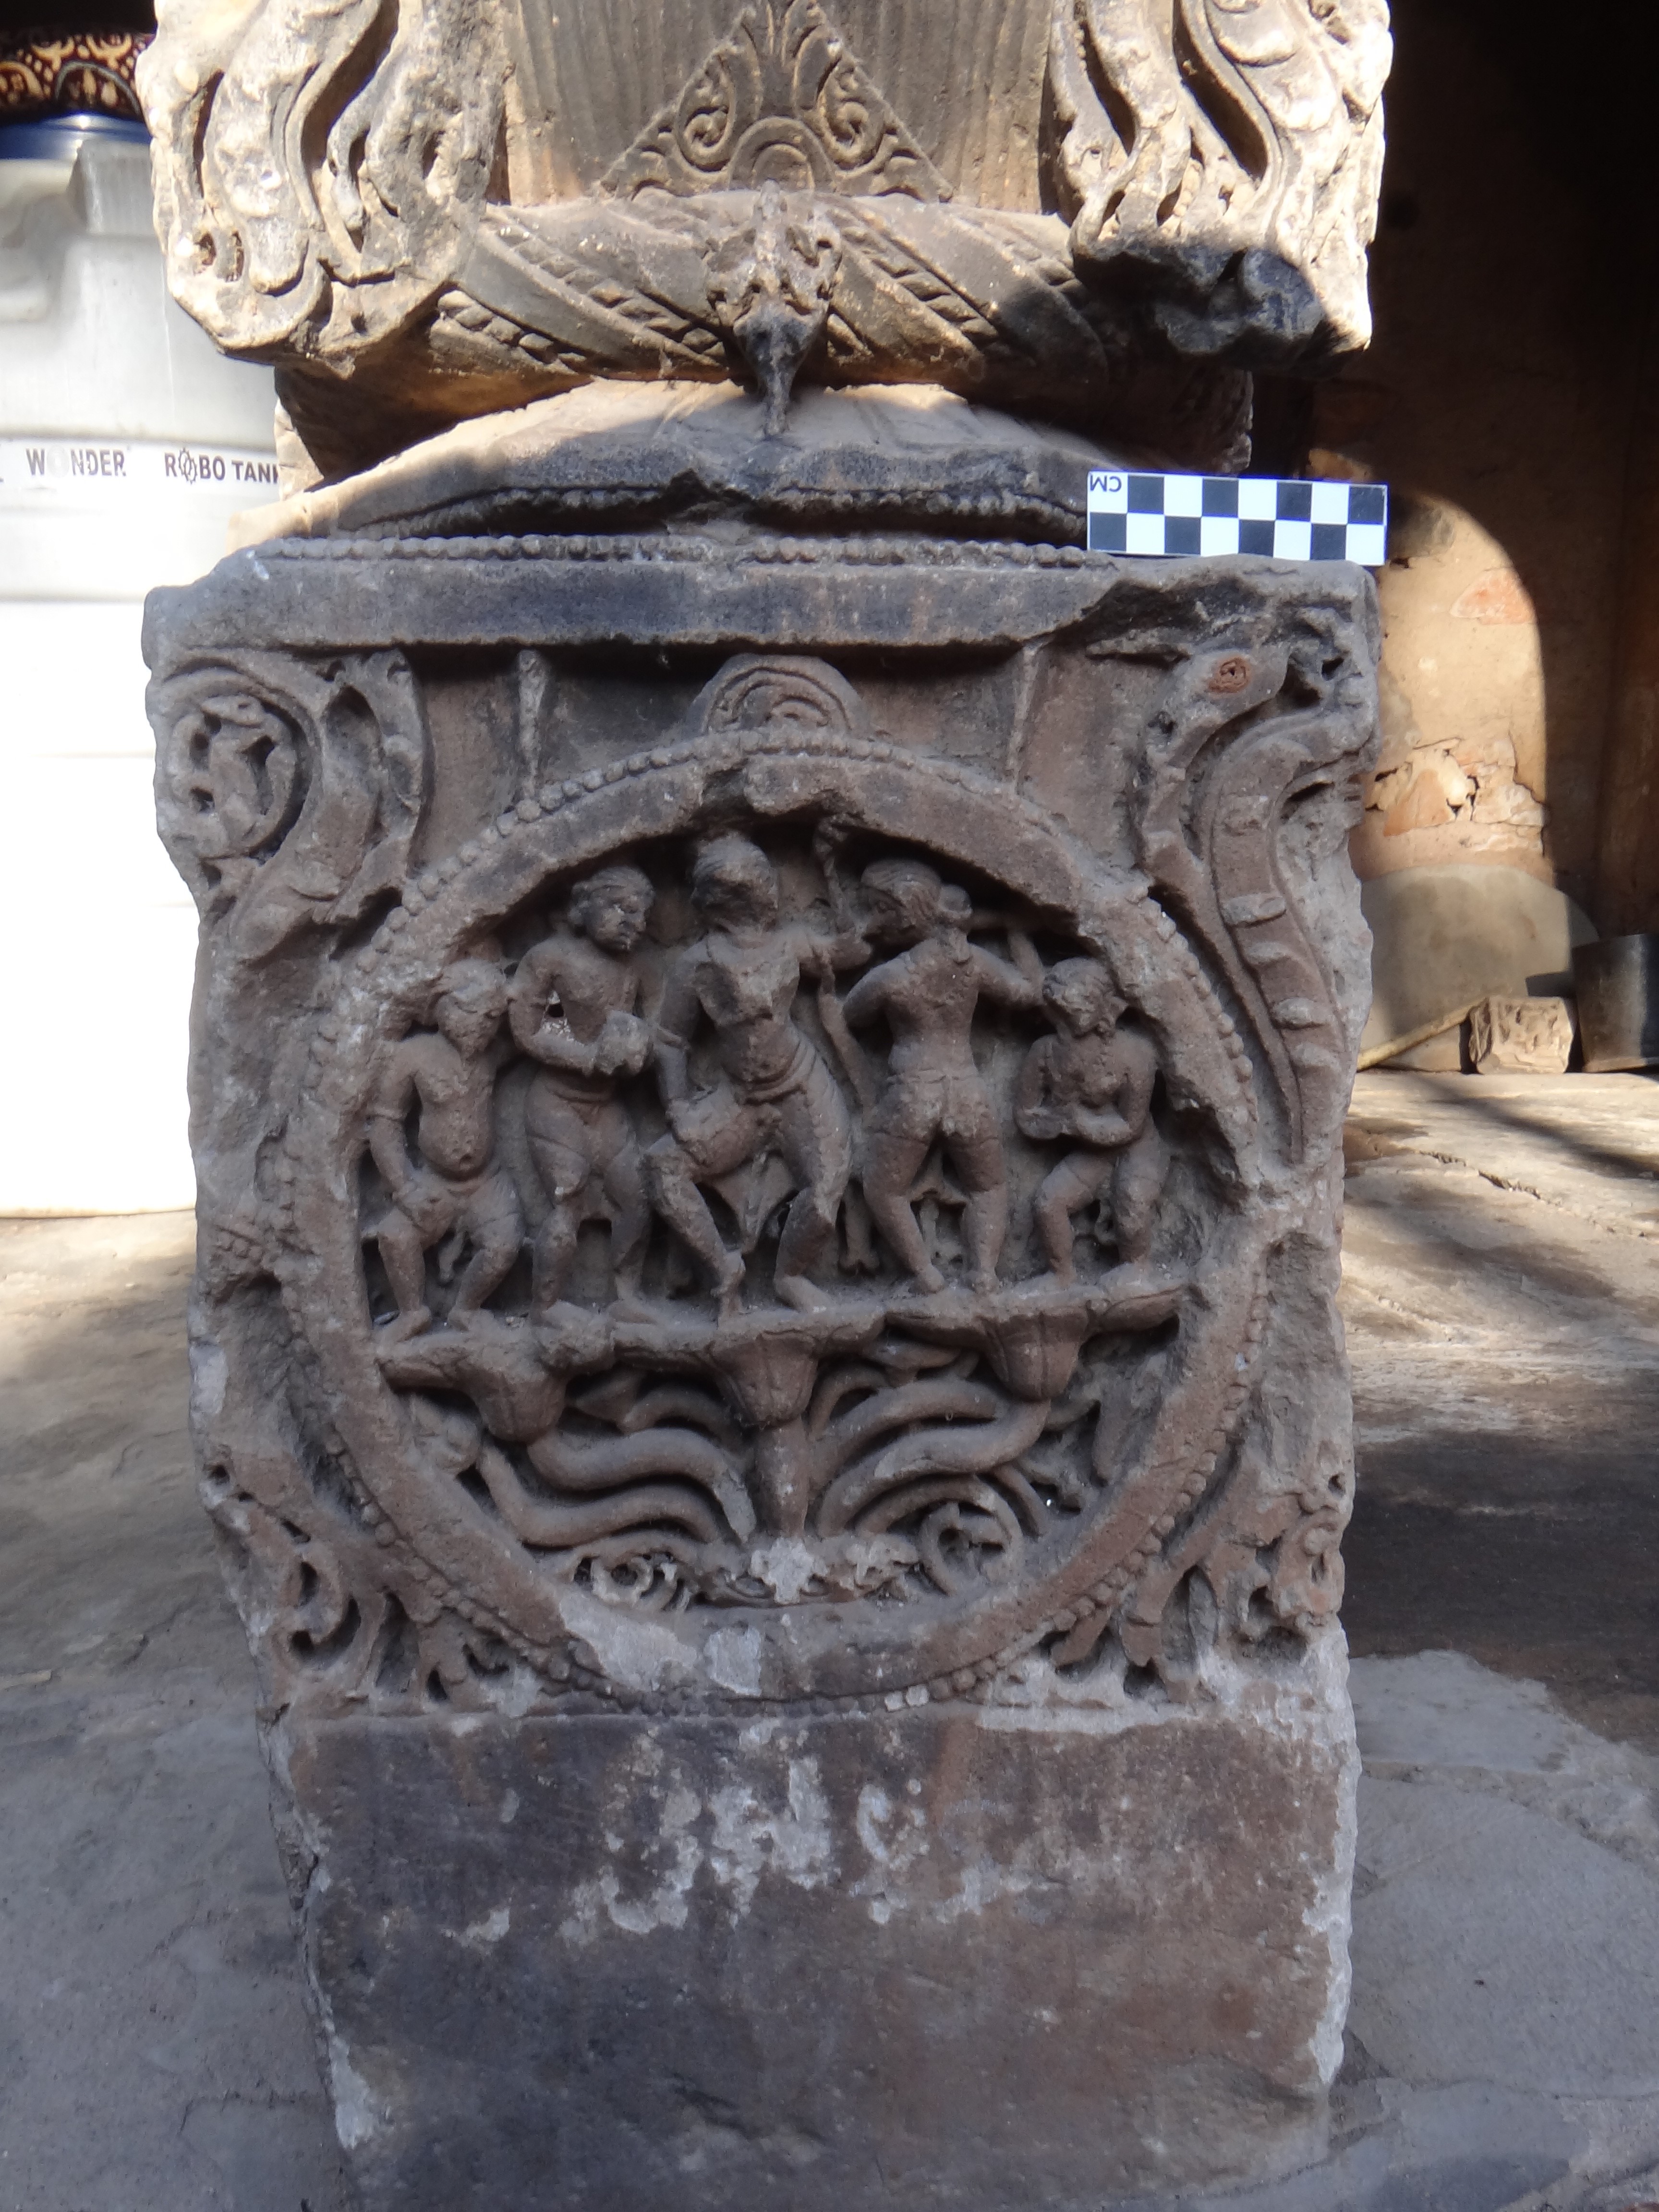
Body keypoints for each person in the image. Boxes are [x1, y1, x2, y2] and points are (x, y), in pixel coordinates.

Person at [647, 834, 867, 1313]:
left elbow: (852, 951)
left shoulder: (790, 943)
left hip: (799, 1083)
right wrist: (679, 1108)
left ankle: (789, 1276)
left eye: (763, 884)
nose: (765, 896)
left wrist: (829, 868)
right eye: (751, 889)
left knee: (827, 1185)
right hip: (741, 1097)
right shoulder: (698, 964)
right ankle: (722, 1269)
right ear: (720, 902)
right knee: (664, 1168)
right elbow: (669, 1041)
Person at [838, 857, 1040, 1295]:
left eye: (878, 910)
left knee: (882, 1188)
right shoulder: (976, 965)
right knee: (988, 1186)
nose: (873, 921)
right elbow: (1028, 992)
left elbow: (851, 1014)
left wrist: (864, 947)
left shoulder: (892, 977)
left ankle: (926, 1277)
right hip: (967, 1090)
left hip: (914, 1092)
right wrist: (1015, 932)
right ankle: (984, 1274)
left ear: (904, 914)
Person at [509, 866, 656, 1316]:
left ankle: (626, 1296)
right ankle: (546, 1306)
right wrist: (589, 1058)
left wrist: (639, 1051)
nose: (635, 924)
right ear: (585, 907)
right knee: (566, 1196)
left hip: (605, 1105)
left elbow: (656, 1032)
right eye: (621, 910)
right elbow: (531, 1030)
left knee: (636, 1195)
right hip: (556, 1102)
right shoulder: (551, 960)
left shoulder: (633, 970)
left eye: (642, 916)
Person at [368, 958, 521, 1341]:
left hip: (485, 1181)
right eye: (480, 1017)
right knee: (395, 1237)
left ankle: (465, 1310)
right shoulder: (414, 1056)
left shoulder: (493, 1051)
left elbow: (538, 1030)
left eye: (492, 1020)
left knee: (504, 1245)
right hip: (435, 1182)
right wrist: (404, 1188)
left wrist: (532, 998)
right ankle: (412, 1314)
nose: (485, 1029)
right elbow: (385, 1125)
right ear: (448, 1010)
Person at [1014, 956, 1165, 1280]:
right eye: (1063, 1014)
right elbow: (1025, 1115)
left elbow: (1131, 1125)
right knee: (1048, 1203)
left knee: (1132, 1204)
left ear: (1102, 1009)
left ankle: (1136, 1269)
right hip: (1093, 1153)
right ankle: (1061, 1276)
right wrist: (1054, 1124)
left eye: (1079, 1011)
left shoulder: (1133, 1054)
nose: (1070, 1023)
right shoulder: (1045, 1052)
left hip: (1137, 1148)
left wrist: (1081, 1124)